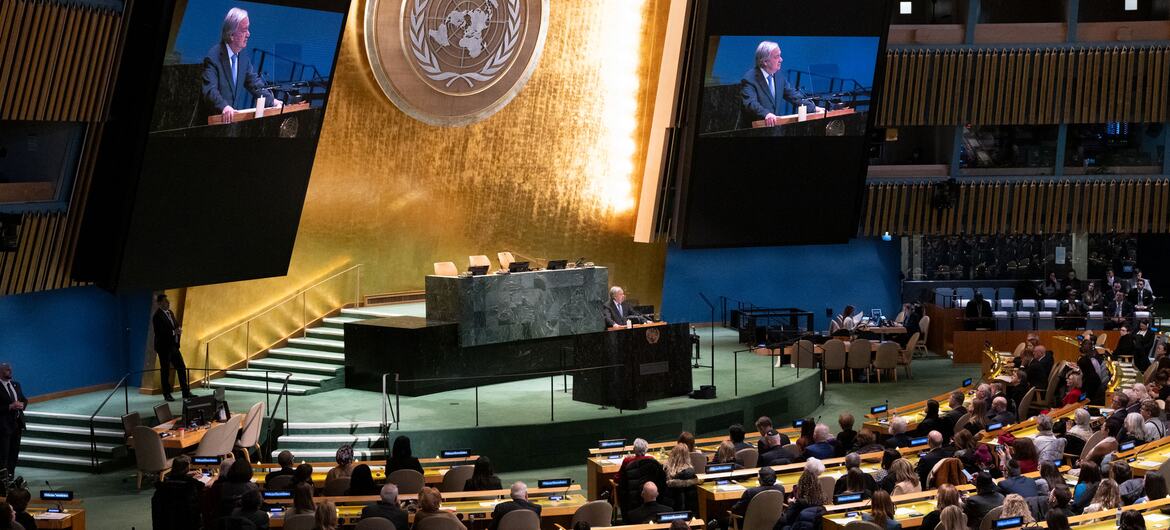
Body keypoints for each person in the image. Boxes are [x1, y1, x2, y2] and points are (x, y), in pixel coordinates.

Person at [202, 7, 280, 123]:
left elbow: (254, 83)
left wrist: (272, 101)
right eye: (244, 30)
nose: (248, 34)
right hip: (215, 122)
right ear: (231, 35)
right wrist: (224, 106)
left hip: (233, 122)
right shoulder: (213, 57)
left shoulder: (242, 56)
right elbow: (210, 90)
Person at [739, 41, 820, 127]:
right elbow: (750, 103)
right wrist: (766, 114)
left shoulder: (778, 76)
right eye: (776, 57)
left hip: (774, 128)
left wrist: (813, 108)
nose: (781, 59)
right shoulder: (749, 79)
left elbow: (793, 96)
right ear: (765, 61)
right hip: (756, 129)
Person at [151, 294, 192, 401]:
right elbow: (160, 333)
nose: (168, 303)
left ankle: (185, 392)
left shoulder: (170, 313)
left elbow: (175, 325)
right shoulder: (157, 316)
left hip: (173, 346)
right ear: (159, 303)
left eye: (168, 301)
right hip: (163, 348)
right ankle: (167, 394)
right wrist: (174, 332)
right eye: (165, 301)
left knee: (181, 367)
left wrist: (178, 329)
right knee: (165, 371)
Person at [151, 455, 203, 530]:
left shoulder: (163, 485)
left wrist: (188, 476)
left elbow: (178, 477)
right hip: (187, 522)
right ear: (186, 468)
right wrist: (215, 477)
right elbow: (204, 485)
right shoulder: (190, 483)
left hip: (167, 522)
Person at [0, 363, 26, 478]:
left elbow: (24, 399)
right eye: (7, 370)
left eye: (10, 369)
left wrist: (22, 405)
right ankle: (3, 480)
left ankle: (11, 477)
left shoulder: (16, 385)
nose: (10, 371)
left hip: (17, 425)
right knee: (3, 455)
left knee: (14, 454)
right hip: (3, 427)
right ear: (0, 372)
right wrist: (10, 406)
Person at [663, 444, 699, 512]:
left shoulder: (665, 470)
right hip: (688, 511)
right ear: (687, 456)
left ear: (673, 454)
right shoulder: (690, 472)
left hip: (669, 510)